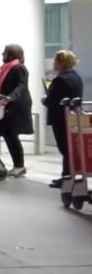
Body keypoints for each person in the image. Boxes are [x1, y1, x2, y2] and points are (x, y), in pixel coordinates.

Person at [43, 50, 83, 188]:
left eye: (55, 60)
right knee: (70, 147)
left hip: (60, 118)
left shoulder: (60, 79)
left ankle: (67, 177)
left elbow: (53, 100)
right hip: (73, 116)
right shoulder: (76, 77)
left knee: (65, 148)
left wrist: (45, 99)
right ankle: (68, 175)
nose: (53, 63)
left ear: (61, 62)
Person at [0, 44, 34, 177]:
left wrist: (10, 98)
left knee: (11, 135)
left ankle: (19, 166)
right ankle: (17, 165)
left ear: (11, 54)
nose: (2, 55)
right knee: (8, 135)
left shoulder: (19, 68)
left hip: (16, 106)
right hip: (6, 106)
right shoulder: (6, 69)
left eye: (4, 53)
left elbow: (21, 86)